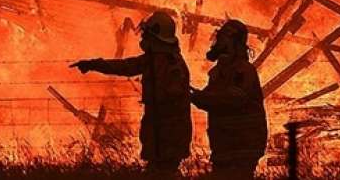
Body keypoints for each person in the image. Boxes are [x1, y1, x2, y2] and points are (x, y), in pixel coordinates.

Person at [71, 10, 192, 172]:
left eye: (146, 34)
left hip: (168, 135)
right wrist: (94, 64)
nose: (143, 38)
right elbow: (125, 66)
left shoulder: (170, 64)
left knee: (165, 171)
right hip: (160, 134)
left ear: (155, 36)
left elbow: (171, 100)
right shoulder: (157, 59)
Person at [190, 20, 268, 179]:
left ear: (236, 43)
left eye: (224, 39)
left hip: (243, 145)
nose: (219, 43)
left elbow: (234, 98)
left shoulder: (243, 71)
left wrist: (199, 96)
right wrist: (192, 95)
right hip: (225, 145)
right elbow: (210, 98)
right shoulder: (218, 72)